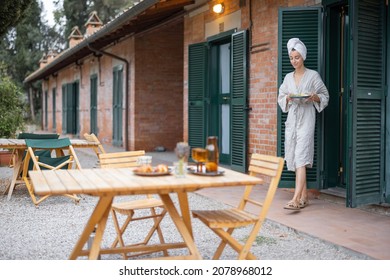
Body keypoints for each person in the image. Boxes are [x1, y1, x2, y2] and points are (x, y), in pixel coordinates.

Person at [278, 38, 329, 210]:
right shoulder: (287, 77)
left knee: (301, 156)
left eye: (297, 57)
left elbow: (325, 95)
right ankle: (304, 196)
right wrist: (287, 97)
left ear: (303, 57)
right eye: (292, 58)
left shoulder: (313, 75)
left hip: (307, 117)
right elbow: (281, 96)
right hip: (292, 118)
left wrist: (314, 97)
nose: (294, 61)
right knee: (294, 154)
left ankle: (295, 198)